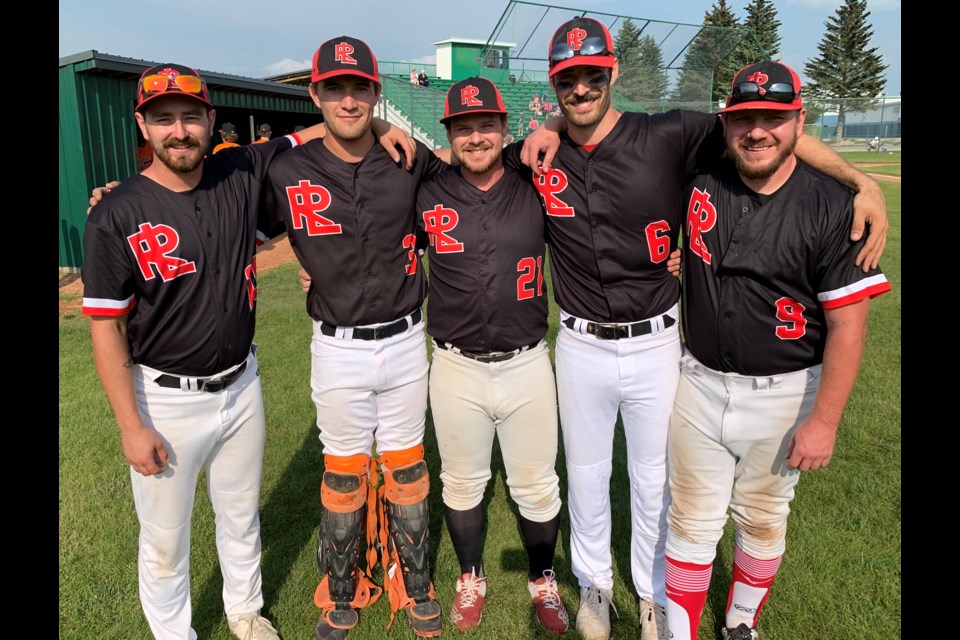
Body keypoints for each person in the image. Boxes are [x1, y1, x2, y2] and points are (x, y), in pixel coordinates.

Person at [518, 17, 889, 640]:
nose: (580, 89)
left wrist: (859, 179)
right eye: (567, 80)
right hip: (579, 340)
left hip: (660, 338)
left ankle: (654, 595)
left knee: (656, 481)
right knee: (584, 472)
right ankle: (594, 587)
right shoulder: (540, 150)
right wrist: (546, 126)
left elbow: (771, 131)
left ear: (611, 73)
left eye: (590, 75)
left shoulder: (673, 134)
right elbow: (466, 157)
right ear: (555, 86)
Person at [81, 62, 326, 640]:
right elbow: (105, 329)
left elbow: (316, 132)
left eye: (191, 116)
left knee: (240, 515)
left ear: (211, 120)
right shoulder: (115, 212)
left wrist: (387, 130)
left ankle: (246, 612)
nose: (180, 131)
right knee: (165, 536)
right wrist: (129, 425)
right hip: (164, 397)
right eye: (164, 119)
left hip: (242, 385)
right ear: (143, 125)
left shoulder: (237, 169)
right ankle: (174, 633)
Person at [663, 61, 892, 640]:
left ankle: (740, 622)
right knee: (690, 517)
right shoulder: (707, 170)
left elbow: (848, 325)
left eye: (774, 117)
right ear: (726, 124)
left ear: (799, 121)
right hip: (699, 380)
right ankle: (680, 630)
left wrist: (826, 421)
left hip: (785, 391)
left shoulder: (833, 206)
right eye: (744, 118)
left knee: (763, 517)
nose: (758, 130)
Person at [264, 35, 447, 640]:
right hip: (337, 342)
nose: (348, 99)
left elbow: (474, 180)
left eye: (359, 87)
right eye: (335, 88)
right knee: (343, 471)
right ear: (315, 93)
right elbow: (220, 202)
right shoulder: (286, 167)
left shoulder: (407, 157)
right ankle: (342, 593)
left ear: (375, 92)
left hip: (404, 337)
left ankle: (412, 582)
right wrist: (121, 195)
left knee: (407, 464)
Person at [418, 76, 569, 636]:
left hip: (528, 361)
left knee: (536, 484)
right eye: (463, 127)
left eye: (485, 125)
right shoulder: (428, 190)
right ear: (450, 135)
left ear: (505, 130)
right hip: (454, 364)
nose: (475, 136)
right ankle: (471, 576)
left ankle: (541, 578)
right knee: (461, 481)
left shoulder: (535, 181)